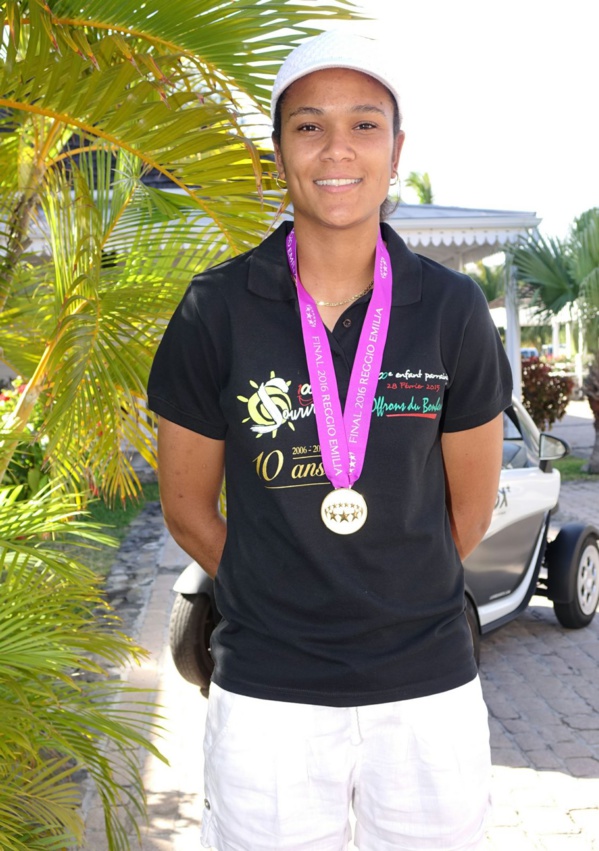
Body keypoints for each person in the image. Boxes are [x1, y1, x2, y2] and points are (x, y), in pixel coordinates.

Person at [148, 29, 513, 851]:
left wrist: (389, 595)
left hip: (425, 688)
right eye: (309, 126)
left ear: (395, 150)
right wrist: (277, 592)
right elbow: (185, 507)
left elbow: (468, 507)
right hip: (268, 693)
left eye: (363, 125)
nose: (336, 149)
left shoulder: (450, 309)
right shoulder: (217, 308)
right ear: (278, 152)